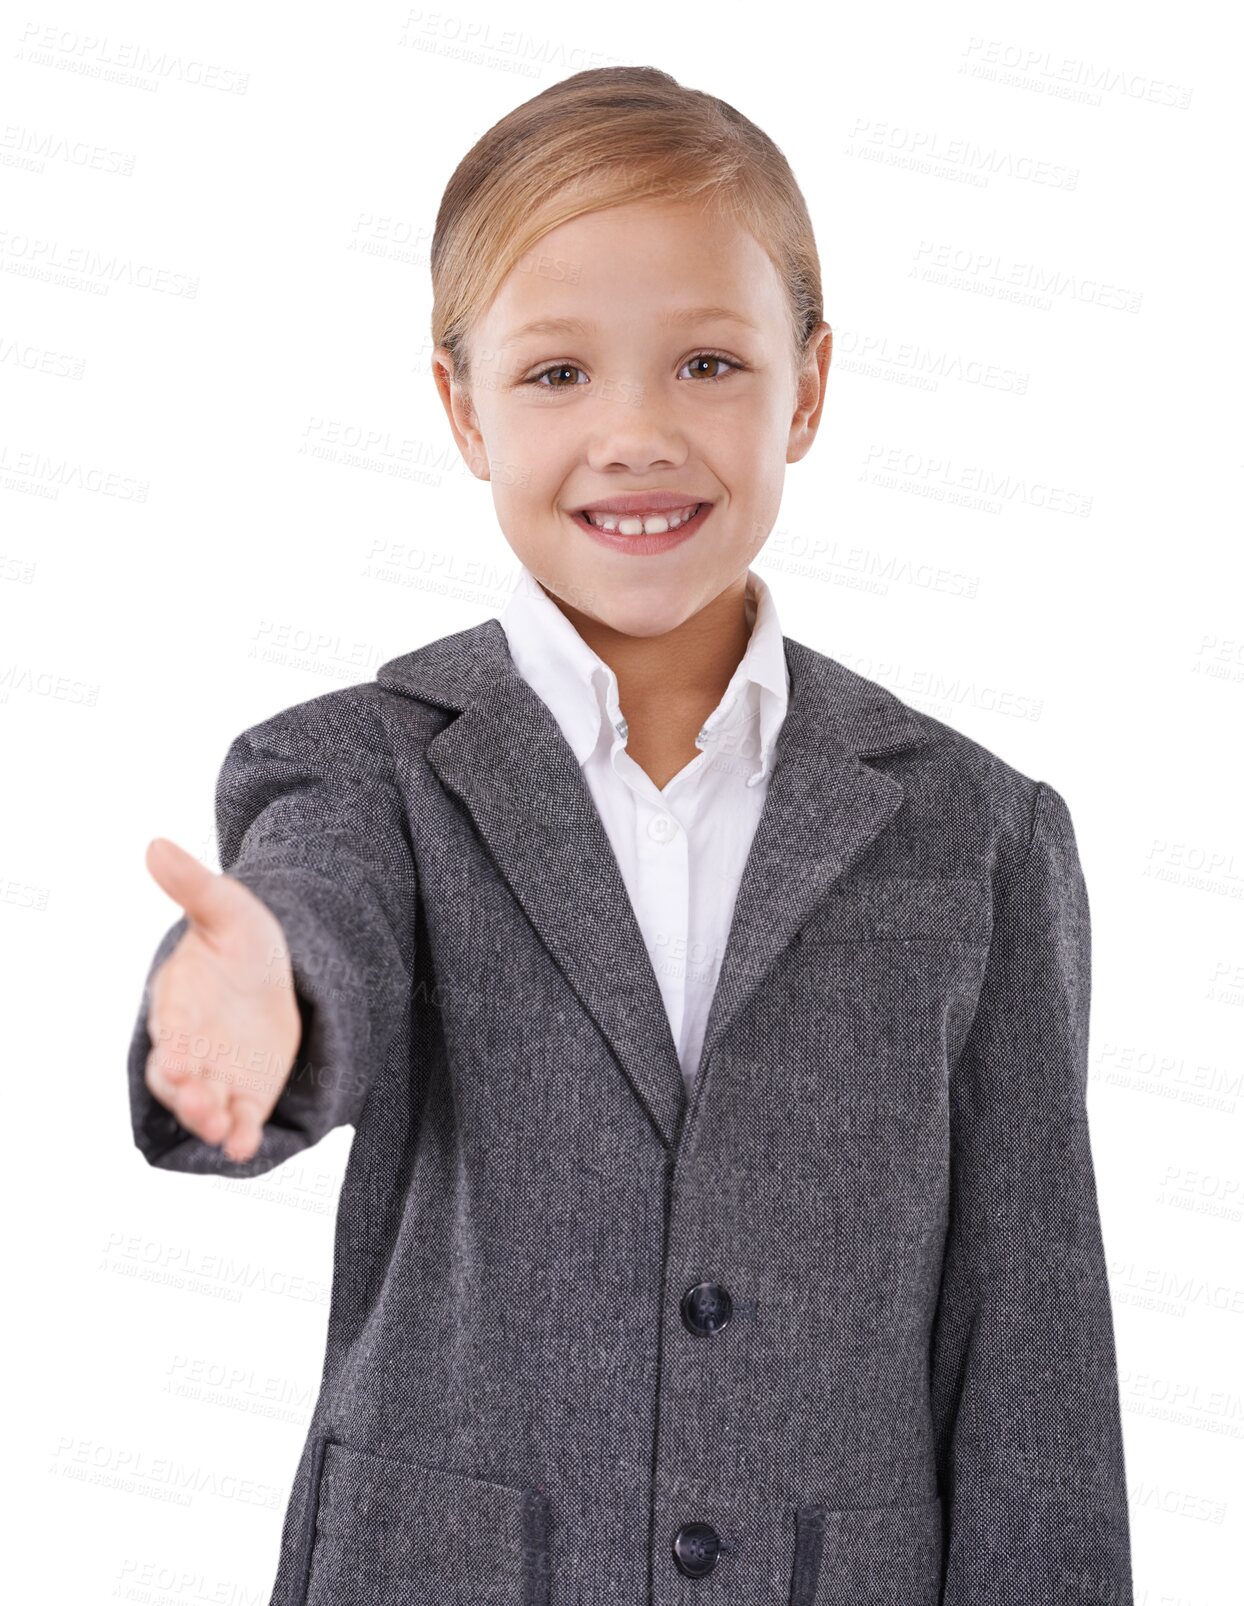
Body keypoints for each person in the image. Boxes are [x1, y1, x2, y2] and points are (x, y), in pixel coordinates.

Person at [128, 64, 1134, 1606]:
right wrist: (264, 1001)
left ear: (809, 385)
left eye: (709, 362)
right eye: (557, 376)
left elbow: (1034, 1364)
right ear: (461, 407)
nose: (637, 434)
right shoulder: (364, 768)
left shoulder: (978, 834)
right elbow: (309, 913)